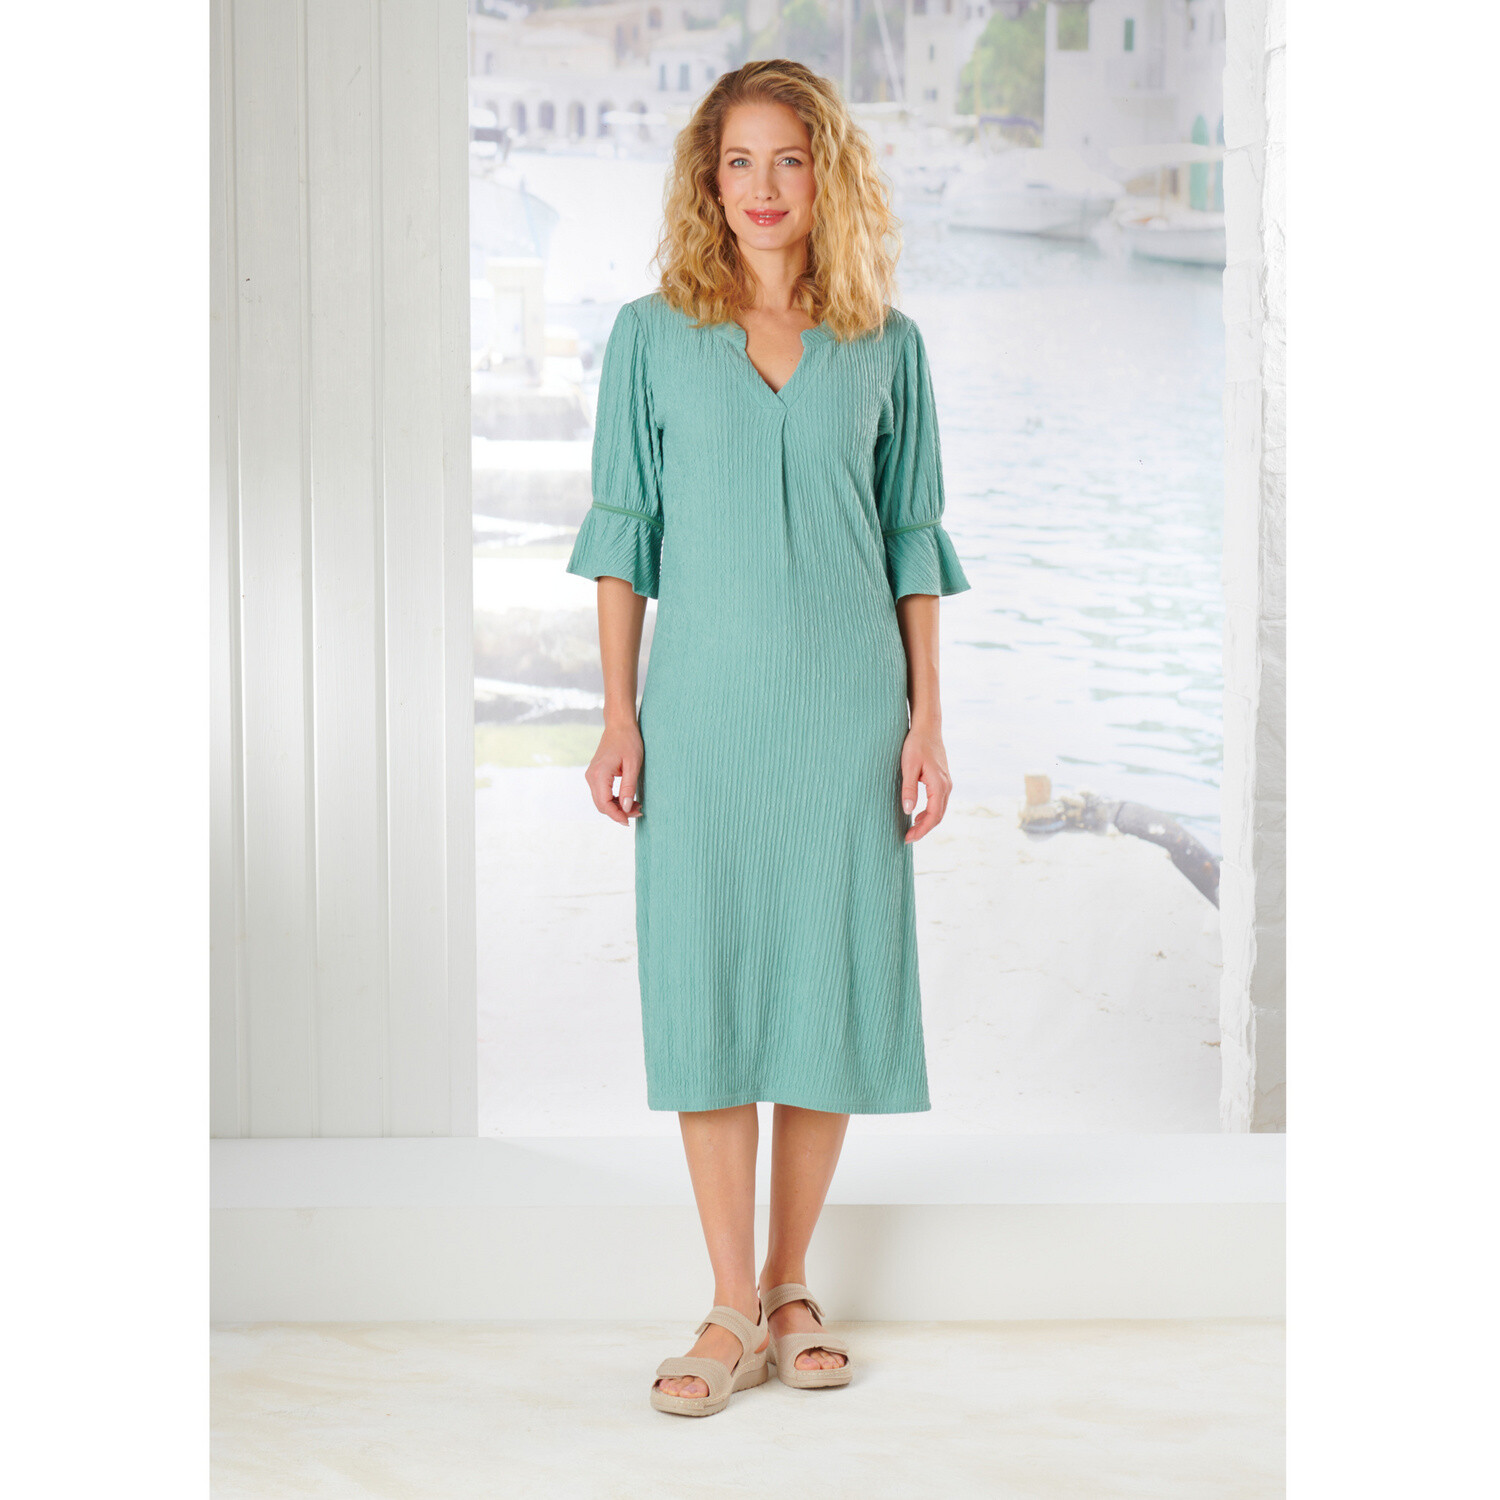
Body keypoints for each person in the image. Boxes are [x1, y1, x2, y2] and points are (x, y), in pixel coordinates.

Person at [566, 59, 971, 1418]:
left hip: (848, 714)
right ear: (707, 179)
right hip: (703, 717)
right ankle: (729, 1302)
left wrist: (927, 721)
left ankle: (792, 1285)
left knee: (823, 987)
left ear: (826, 175)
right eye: (738, 161)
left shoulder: (886, 344)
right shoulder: (651, 336)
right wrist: (618, 711)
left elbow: (912, 540)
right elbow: (623, 537)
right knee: (712, 987)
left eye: (789, 159)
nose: (763, 186)